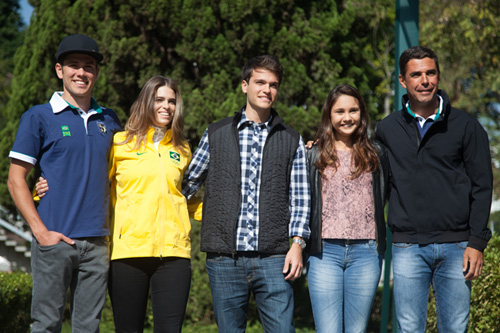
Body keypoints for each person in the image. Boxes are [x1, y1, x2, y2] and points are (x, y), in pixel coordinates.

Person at [182, 55, 310, 332]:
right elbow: (186, 185)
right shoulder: (215, 133)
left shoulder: (291, 139)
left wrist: (297, 244)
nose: (267, 90)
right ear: (244, 85)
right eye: (260, 82)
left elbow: (301, 198)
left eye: (273, 84)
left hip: (275, 258)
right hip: (224, 259)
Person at [7, 34, 121, 332]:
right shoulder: (38, 117)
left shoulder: (110, 120)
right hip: (54, 240)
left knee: (88, 328)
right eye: (74, 65)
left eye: (89, 66)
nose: (81, 72)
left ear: (96, 72)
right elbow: (16, 179)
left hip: (98, 243)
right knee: (45, 325)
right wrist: (40, 232)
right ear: (60, 70)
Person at [375, 46, 493, 332]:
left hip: (457, 248)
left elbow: (482, 186)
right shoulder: (386, 129)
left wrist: (476, 242)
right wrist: (318, 148)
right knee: (409, 329)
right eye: (416, 75)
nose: (424, 80)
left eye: (430, 73)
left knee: (454, 328)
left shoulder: (467, 127)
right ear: (403, 81)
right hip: (407, 247)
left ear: (438, 77)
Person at [107, 75, 202, 332]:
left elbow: (187, 197)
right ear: (146, 101)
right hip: (128, 253)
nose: (166, 106)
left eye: (172, 101)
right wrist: (43, 189)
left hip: (173, 255)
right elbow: (96, 189)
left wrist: (221, 212)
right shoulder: (119, 144)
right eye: (159, 99)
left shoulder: (183, 149)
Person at [306, 84, 388, 332]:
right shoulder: (314, 153)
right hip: (324, 253)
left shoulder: (376, 153)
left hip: (367, 252)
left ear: (361, 114)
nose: (347, 117)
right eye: (339, 111)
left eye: (353, 110)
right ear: (329, 115)